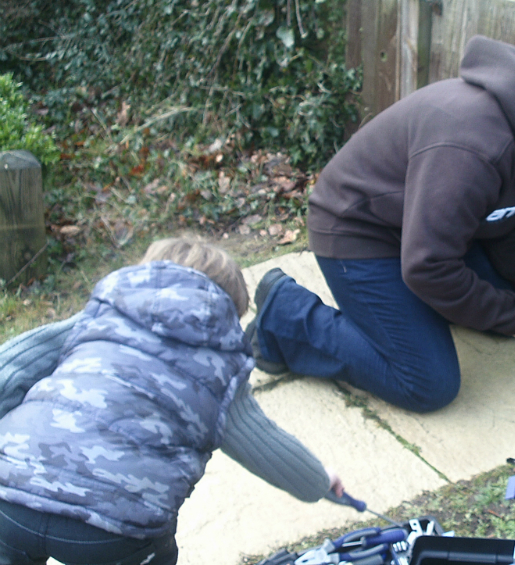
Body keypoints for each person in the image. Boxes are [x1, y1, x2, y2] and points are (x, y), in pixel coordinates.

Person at [247, 35, 515, 414]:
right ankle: (287, 314)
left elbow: (503, 227)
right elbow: (428, 268)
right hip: (358, 230)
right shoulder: (475, 147)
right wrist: (512, 315)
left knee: (506, 301)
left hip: (415, 228)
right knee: (427, 383)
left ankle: (412, 309)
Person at [0, 236, 345, 565]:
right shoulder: (219, 364)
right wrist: (318, 481)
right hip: (114, 529)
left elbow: (10, 367)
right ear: (229, 309)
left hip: (8, 496)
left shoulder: (101, 316)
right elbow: (263, 444)